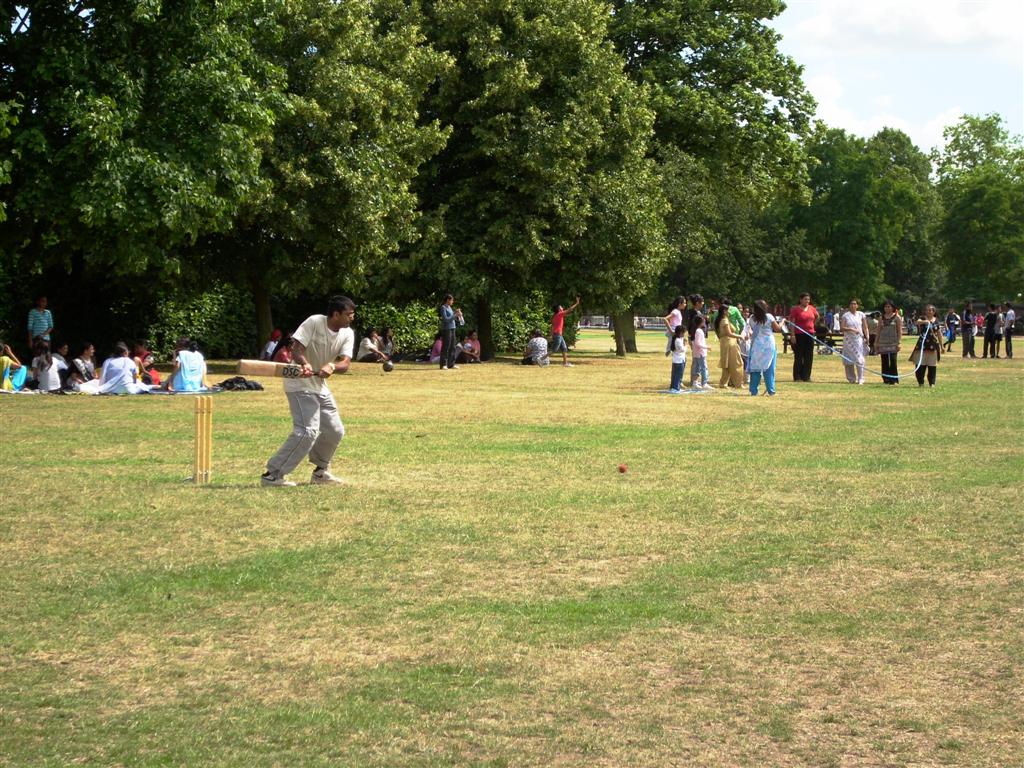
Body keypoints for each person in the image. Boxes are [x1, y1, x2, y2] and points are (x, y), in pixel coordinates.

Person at [262, 295, 356, 487]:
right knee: (307, 431)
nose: (352, 318)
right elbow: (297, 349)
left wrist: (332, 366)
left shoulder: (347, 333)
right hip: (299, 384)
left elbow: (345, 363)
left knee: (335, 430)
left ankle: (321, 472)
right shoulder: (314, 322)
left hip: (319, 386)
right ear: (336, 314)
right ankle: (273, 474)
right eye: (349, 314)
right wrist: (304, 364)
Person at [744, 300, 782, 396]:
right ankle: (771, 391)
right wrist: (783, 322)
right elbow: (777, 329)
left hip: (757, 344)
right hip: (768, 345)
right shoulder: (769, 316)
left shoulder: (752, 318)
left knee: (755, 368)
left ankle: (753, 391)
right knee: (769, 368)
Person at [787, 292, 819, 382]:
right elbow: (792, 323)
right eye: (805, 299)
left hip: (810, 334)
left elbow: (817, 317)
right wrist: (792, 335)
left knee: (809, 356)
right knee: (799, 355)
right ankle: (797, 376)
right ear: (801, 300)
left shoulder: (812, 308)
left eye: (808, 299)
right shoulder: (796, 310)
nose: (807, 301)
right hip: (799, 334)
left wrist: (812, 325)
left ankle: (806, 376)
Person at [910, 305, 943, 387]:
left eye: (930, 310)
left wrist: (942, 346)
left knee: (932, 365)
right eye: (927, 310)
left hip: (933, 345)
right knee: (920, 364)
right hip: (922, 345)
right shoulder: (922, 318)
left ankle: (932, 383)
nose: (929, 312)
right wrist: (925, 322)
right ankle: (920, 382)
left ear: (934, 312)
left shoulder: (936, 321)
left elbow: (939, 334)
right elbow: (917, 322)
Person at [840, 299, 869, 385]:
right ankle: (851, 378)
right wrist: (851, 329)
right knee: (848, 359)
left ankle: (861, 378)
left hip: (858, 339)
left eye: (855, 304)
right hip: (849, 340)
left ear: (857, 306)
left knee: (859, 358)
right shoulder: (845, 315)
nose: (853, 305)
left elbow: (865, 327)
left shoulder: (861, 314)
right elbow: (842, 328)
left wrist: (867, 336)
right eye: (851, 304)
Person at [715, 301, 744, 389]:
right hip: (730, 343)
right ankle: (738, 384)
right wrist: (740, 336)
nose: (729, 312)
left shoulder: (723, 319)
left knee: (727, 365)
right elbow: (729, 333)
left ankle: (723, 383)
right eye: (728, 310)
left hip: (726, 343)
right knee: (737, 363)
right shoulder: (724, 321)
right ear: (724, 311)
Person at [875, 300, 903, 384]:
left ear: (893, 307)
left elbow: (899, 330)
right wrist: (876, 342)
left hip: (893, 342)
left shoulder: (897, 317)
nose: (887, 308)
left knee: (893, 361)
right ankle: (886, 379)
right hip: (883, 342)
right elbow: (878, 330)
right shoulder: (881, 318)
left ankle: (894, 379)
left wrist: (899, 342)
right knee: (884, 361)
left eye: (889, 306)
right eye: (886, 306)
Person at [550, 296, 580, 366]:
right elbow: (569, 309)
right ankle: (541, 359)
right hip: (558, 334)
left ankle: (565, 363)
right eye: (561, 307)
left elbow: (552, 326)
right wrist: (577, 303)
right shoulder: (560, 314)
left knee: (564, 348)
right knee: (554, 350)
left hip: (557, 334)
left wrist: (551, 335)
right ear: (558, 309)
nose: (562, 307)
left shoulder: (555, 316)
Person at [437, 293, 464, 370]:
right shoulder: (443, 307)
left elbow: (452, 318)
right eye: (452, 300)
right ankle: (443, 364)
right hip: (446, 329)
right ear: (448, 300)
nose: (453, 302)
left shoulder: (450, 308)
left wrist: (457, 315)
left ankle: (451, 364)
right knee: (446, 346)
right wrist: (455, 315)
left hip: (453, 328)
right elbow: (446, 319)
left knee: (452, 346)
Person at [690, 315, 711, 389]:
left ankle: (695, 382)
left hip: (697, 353)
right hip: (700, 353)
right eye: (703, 321)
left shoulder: (696, 330)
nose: (705, 322)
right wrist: (707, 347)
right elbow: (698, 343)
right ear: (701, 322)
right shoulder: (699, 331)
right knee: (704, 368)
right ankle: (704, 383)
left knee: (697, 368)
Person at [668, 325, 687, 393]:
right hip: (679, 360)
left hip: (676, 360)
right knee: (678, 375)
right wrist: (685, 344)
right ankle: (676, 387)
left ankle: (673, 387)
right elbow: (682, 349)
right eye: (683, 332)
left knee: (674, 375)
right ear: (680, 333)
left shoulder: (677, 338)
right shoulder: (678, 340)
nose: (684, 334)